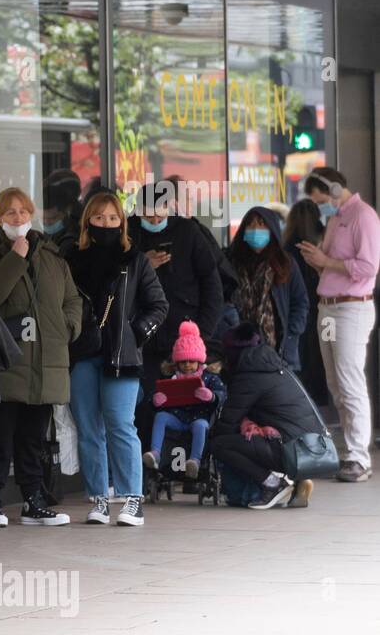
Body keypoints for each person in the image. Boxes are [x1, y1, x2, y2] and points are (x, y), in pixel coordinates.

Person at [0, 186, 82, 528]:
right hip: (9, 362)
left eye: (23, 212)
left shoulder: (51, 254)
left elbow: (72, 300)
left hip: (46, 362)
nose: (18, 218)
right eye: (10, 213)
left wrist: (67, 328)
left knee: (33, 439)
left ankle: (33, 499)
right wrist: (15, 258)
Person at [66, 191, 168, 526]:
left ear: (121, 223)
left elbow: (158, 305)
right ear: (87, 222)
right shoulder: (71, 260)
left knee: (121, 425)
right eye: (99, 218)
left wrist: (134, 333)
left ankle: (132, 498)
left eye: (113, 218)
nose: (106, 224)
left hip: (122, 356)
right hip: (82, 354)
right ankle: (99, 498)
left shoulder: (134, 260)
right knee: (89, 428)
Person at [297, 167, 380, 482]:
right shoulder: (335, 220)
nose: (320, 206)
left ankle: (359, 455)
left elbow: (369, 266)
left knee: (349, 380)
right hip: (328, 307)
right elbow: (333, 264)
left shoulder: (363, 216)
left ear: (333, 189)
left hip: (351, 308)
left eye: (320, 199)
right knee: (336, 382)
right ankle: (349, 452)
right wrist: (319, 261)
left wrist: (326, 262)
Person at [128, 178, 223, 440]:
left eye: (160, 210)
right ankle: (147, 469)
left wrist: (199, 335)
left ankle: (178, 469)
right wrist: (142, 265)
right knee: (145, 405)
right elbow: (114, 283)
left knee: (187, 406)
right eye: (148, 211)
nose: (155, 217)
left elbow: (212, 286)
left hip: (184, 339)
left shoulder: (188, 231)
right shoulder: (129, 233)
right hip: (142, 338)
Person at [210, 323, 323, 509]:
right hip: (313, 446)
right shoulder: (275, 365)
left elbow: (228, 421)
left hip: (291, 450)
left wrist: (207, 441)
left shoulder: (249, 375)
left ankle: (273, 484)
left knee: (220, 444)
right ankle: (300, 478)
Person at [222, 207, 308, 370]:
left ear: (272, 229)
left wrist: (291, 334)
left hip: (278, 352)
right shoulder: (230, 262)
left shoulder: (285, 263)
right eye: (250, 224)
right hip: (238, 348)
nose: (255, 230)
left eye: (261, 224)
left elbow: (300, 302)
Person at [143, 320, 226, 477]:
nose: (187, 365)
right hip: (177, 418)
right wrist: (155, 400)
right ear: (177, 363)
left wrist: (212, 397)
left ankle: (195, 461)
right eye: (183, 362)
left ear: (200, 361)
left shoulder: (210, 378)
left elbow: (222, 395)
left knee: (201, 425)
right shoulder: (171, 377)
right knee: (160, 417)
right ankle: (155, 453)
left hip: (198, 419)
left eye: (191, 361)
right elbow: (154, 397)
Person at [283, 197, 330, 403]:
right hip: (324, 307)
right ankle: (321, 399)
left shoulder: (287, 246)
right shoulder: (323, 240)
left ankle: (303, 400)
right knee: (321, 356)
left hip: (298, 311)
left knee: (299, 355)